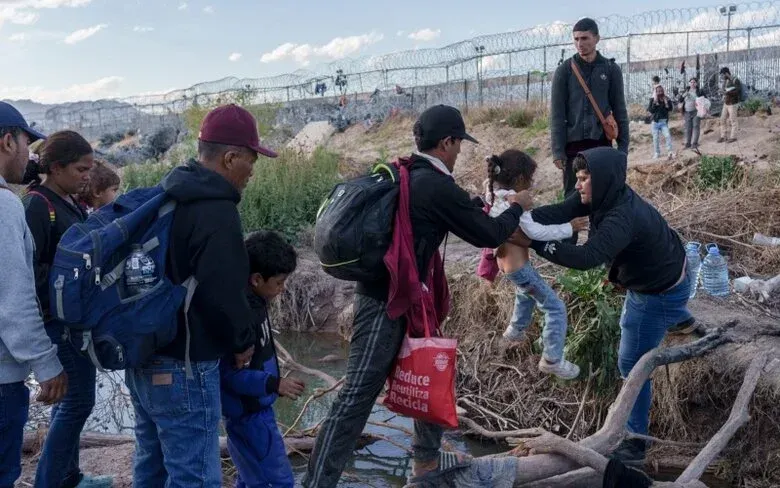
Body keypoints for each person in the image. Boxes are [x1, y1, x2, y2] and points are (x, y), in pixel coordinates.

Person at [303, 104, 533, 488]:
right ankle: (316, 483)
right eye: (459, 144)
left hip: (402, 296)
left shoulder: (410, 171)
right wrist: (517, 208)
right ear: (446, 142)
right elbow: (489, 235)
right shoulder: (434, 184)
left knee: (431, 369)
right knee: (357, 397)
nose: (461, 151)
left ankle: (425, 462)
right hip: (386, 303)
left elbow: (445, 215)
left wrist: (476, 206)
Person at [125, 104, 275, 488]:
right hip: (185, 367)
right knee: (196, 477)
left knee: (151, 467)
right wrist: (242, 343)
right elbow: (222, 292)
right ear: (230, 157)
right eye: (251, 161)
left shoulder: (169, 193)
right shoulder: (216, 210)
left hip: (144, 356)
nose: (252, 172)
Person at [528, 147, 695, 466]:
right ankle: (682, 320)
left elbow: (586, 258)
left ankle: (634, 444)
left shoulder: (622, 216)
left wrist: (535, 243)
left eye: (583, 179)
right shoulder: (603, 193)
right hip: (668, 272)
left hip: (656, 291)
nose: (577, 185)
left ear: (600, 179)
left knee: (631, 364)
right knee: (647, 331)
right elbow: (562, 210)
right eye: (577, 178)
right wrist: (522, 219)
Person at [22, 131, 111, 488]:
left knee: (67, 403)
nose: (87, 176)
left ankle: (68, 477)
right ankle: (50, 481)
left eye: (89, 168)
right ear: (56, 168)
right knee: (78, 402)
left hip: (73, 318)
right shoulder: (37, 206)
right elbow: (28, 269)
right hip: (55, 322)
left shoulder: (67, 201)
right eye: (80, 169)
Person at [0, 102, 67, 488]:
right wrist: (45, 362)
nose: (31, 154)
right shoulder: (5, 206)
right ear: (8, 141)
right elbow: (12, 297)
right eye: (27, 142)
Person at [480, 150, 588, 380]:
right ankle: (552, 359)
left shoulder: (494, 194)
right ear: (519, 179)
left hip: (508, 267)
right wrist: (569, 228)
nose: (531, 185)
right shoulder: (514, 203)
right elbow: (535, 232)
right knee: (555, 307)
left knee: (525, 294)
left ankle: (514, 331)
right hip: (520, 269)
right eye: (530, 180)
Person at [220, 230, 306, 488]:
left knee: (250, 477)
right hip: (251, 416)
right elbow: (230, 376)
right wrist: (274, 384)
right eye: (279, 283)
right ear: (257, 279)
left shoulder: (252, 303)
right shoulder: (244, 321)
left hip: (248, 413)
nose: (283, 289)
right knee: (277, 480)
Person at [550, 17, 629, 199]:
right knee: (572, 198)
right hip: (573, 148)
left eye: (584, 38)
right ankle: (573, 229)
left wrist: (623, 148)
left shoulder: (610, 69)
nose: (580, 44)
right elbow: (557, 114)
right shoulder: (564, 71)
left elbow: (620, 111)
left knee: (601, 197)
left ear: (596, 38)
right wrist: (557, 151)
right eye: (576, 39)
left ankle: (598, 228)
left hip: (601, 145)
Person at [647, 85, 674, 160]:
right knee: (655, 138)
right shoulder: (652, 99)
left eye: (661, 91)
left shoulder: (667, 99)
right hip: (655, 122)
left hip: (663, 122)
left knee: (667, 136)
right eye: (658, 91)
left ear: (663, 91)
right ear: (655, 92)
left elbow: (670, 109)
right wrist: (654, 102)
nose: (660, 92)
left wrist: (666, 103)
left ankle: (670, 151)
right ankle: (657, 153)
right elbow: (651, 110)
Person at [678, 77, 704, 149]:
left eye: (694, 82)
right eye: (691, 82)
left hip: (696, 111)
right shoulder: (686, 90)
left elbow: (704, 100)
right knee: (688, 128)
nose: (692, 83)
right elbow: (680, 100)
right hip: (687, 112)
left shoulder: (699, 91)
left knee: (696, 126)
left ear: (696, 83)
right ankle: (688, 143)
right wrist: (685, 94)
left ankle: (694, 143)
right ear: (689, 83)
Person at [718, 67, 741, 143]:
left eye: (722, 75)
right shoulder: (726, 81)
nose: (722, 76)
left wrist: (727, 93)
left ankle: (733, 137)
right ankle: (723, 136)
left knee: (733, 120)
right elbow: (724, 90)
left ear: (726, 73)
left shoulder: (735, 80)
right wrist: (722, 91)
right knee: (722, 119)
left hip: (733, 103)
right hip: (726, 102)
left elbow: (738, 91)